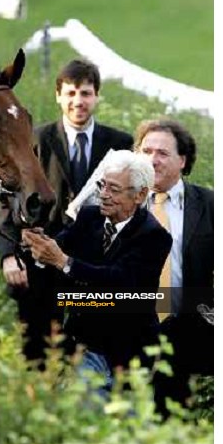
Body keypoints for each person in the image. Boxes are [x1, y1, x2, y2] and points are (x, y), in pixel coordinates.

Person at [0, 59, 133, 363]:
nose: (78, 102)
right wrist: (7, 255)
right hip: (40, 269)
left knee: (95, 358)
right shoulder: (35, 140)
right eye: (70, 93)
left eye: (85, 93)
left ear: (96, 96)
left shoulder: (121, 144)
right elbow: (7, 201)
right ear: (58, 96)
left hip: (95, 269)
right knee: (39, 358)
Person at [22, 150, 172, 397]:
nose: (103, 195)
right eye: (102, 185)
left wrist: (63, 261)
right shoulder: (89, 217)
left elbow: (120, 284)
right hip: (85, 347)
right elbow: (55, 259)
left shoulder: (154, 237)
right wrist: (37, 248)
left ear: (140, 194)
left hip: (129, 355)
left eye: (113, 189)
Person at [134, 118, 214, 410]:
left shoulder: (209, 205)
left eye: (162, 153)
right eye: (146, 151)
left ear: (183, 160)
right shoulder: (120, 204)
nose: (152, 160)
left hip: (190, 330)